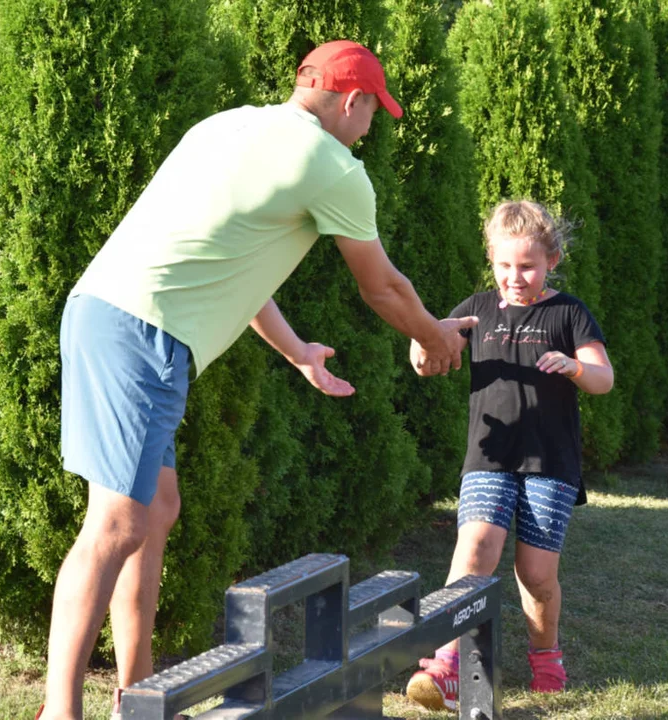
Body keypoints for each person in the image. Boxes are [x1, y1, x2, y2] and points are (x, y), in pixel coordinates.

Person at [40, 40, 478, 720]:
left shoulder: (229, 125)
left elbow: (226, 260)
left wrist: (298, 350)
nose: (369, 130)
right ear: (351, 100)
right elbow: (384, 287)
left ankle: (139, 690)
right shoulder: (332, 166)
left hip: (110, 314)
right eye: (373, 115)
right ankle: (59, 713)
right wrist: (435, 335)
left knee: (153, 511)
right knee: (117, 522)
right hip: (142, 332)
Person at [404, 200, 614, 710]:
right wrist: (428, 346)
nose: (514, 277)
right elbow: (422, 358)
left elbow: (604, 379)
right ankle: (447, 665)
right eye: (504, 265)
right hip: (489, 455)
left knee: (536, 576)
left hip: (551, 463)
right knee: (474, 548)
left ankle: (546, 656)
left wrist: (572, 365)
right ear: (491, 260)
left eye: (527, 266)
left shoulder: (568, 313)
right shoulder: (477, 308)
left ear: (552, 261)